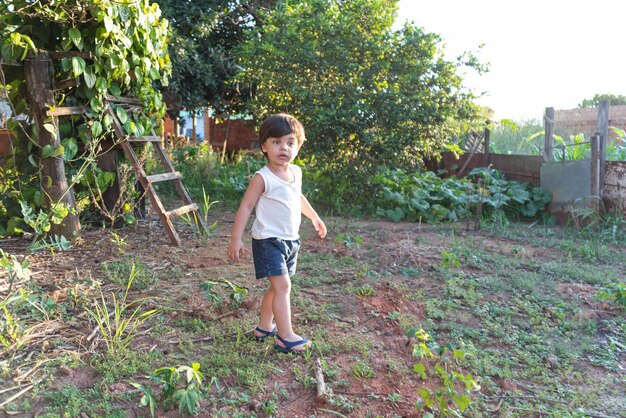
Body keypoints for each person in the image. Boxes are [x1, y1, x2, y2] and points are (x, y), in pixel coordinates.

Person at [227, 113, 327, 354]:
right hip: (268, 240)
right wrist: (235, 238)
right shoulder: (263, 177)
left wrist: (313, 216)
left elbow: (297, 197)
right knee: (283, 286)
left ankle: (264, 326)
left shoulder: (296, 172)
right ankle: (285, 337)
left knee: (276, 287)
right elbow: (246, 207)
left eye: (290, 142)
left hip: (291, 240)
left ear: (298, 146)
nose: (284, 147)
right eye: (276, 142)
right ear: (264, 146)